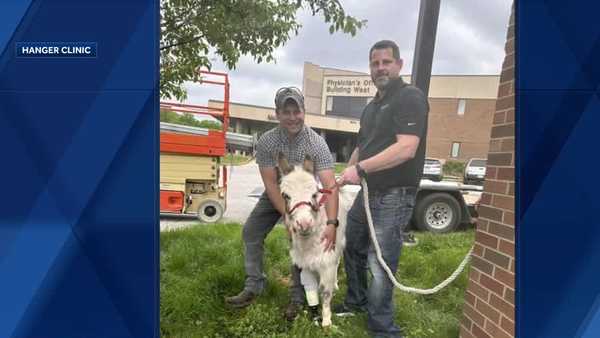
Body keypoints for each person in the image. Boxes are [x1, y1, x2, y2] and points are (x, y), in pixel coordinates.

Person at [335, 40, 429, 338]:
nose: (380, 68)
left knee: (382, 261)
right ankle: (357, 302)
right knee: (352, 244)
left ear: (399, 65)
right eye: (375, 63)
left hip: (394, 194)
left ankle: (382, 327)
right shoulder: (371, 107)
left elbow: (406, 148)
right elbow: (363, 148)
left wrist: (359, 170)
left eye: (386, 62)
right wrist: (344, 174)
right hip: (367, 191)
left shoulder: (409, 97)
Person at [225, 86, 339, 321]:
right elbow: (270, 183)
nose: (292, 117)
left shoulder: (317, 143)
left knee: (301, 241)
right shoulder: (267, 141)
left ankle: (297, 299)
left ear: (304, 112)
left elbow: (329, 184)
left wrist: (332, 223)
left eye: (296, 111)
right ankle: (254, 285)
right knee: (250, 232)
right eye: (286, 112)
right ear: (277, 114)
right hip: (277, 194)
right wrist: (287, 217)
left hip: (307, 199)